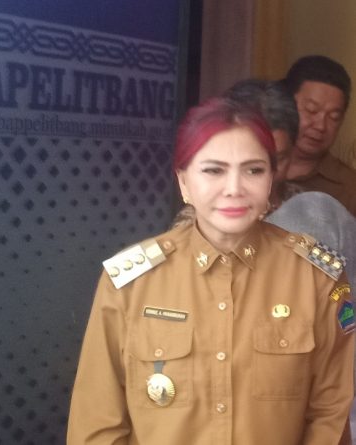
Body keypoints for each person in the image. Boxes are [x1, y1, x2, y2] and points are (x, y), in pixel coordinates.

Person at [67, 98, 354, 444]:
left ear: (271, 179)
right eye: (213, 170)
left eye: (253, 170)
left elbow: (330, 413)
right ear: (183, 182)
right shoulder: (132, 284)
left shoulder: (316, 279)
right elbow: (97, 422)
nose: (234, 188)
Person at [171, 79, 303, 228]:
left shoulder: (308, 207)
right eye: (252, 168)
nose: (235, 188)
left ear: (293, 152)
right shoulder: (194, 225)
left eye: (277, 159)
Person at [282, 55, 356, 216]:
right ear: (286, 104)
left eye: (333, 117)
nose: (321, 126)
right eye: (311, 110)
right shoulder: (252, 162)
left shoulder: (349, 188)